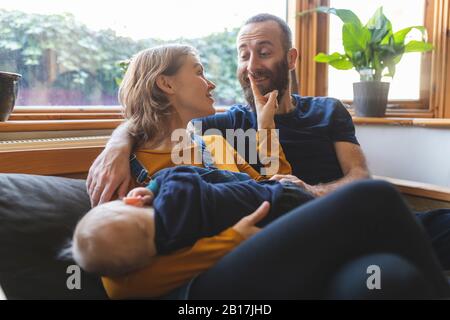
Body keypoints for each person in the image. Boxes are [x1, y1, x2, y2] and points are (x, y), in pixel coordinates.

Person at [86, 13, 370, 208]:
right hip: (286, 225)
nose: (252, 65)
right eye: (244, 55)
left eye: (265, 52)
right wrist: (117, 146)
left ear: (291, 58)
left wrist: (310, 191)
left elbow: (359, 177)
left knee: (382, 199)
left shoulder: (328, 109)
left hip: (325, 210)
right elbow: (158, 127)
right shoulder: (223, 126)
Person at [70, 165, 314, 277]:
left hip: (270, 226)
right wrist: (154, 188)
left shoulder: (171, 247)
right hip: (279, 199)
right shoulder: (173, 202)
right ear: (132, 203)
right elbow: (180, 172)